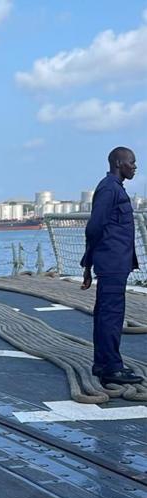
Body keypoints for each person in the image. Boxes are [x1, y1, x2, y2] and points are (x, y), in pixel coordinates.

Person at [81, 147, 142, 386]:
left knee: (107, 314)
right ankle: (111, 367)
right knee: (111, 316)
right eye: (131, 162)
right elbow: (94, 227)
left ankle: (102, 363)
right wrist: (88, 264)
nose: (135, 167)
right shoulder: (109, 189)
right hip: (112, 263)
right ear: (119, 162)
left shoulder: (115, 189)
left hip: (116, 262)